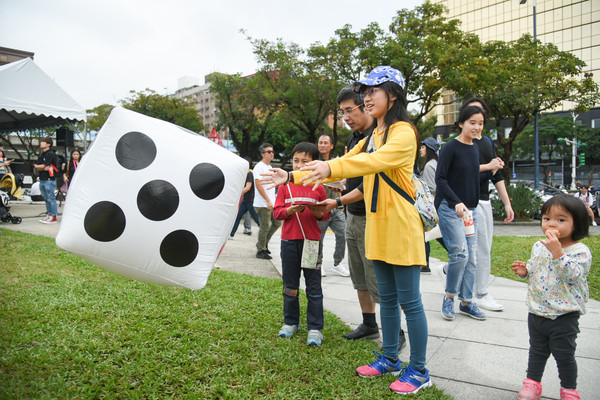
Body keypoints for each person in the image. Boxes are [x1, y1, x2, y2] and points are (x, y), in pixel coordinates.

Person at [262, 66, 431, 395]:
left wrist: (328, 167)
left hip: (402, 227)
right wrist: (291, 177)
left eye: (372, 92)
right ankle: (390, 358)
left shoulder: (403, 132)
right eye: (363, 92)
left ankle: (420, 369)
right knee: (388, 300)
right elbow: (345, 160)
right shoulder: (375, 135)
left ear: (392, 95)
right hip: (378, 227)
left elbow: (368, 164)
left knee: (409, 302)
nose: (366, 98)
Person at [511, 194, 591, 400]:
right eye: (546, 219)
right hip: (537, 311)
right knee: (537, 351)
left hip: (564, 315)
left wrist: (558, 253)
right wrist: (526, 270)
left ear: (577, 223)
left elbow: (574, 275)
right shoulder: (539, 245)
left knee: (564, 356)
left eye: (561, 219)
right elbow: (537, 267)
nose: (551, 224)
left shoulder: (580, 251)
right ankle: (532, 384)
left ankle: (569, 390)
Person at [460, 98, 515, 312]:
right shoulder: (457, 144)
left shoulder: (487, 143)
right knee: (472, 251)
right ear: (463, 120)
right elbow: (459, 173)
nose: (476, 123)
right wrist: (487, 166)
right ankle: (480, 293)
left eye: (480, 117)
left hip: (483, 201)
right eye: (472, 118)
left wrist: (507, 203)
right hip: (464, 203)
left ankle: (453, 273)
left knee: (482, 249)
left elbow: (497, 175)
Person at [273, 142, 330, 346]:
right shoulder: (285, 187)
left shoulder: (319, 187)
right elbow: (277, 212)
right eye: (296, 161)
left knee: (314, 287)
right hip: (289, 242)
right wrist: (290, 210)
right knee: (290, 285)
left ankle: (315, 328)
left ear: (314, 164)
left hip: (312, 244)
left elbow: (325, 215)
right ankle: (290, 322)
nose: (298, 166)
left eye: (304, 162)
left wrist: (315, 210)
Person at [436, 106, 487, 322]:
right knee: (460, 254)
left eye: (480, 123)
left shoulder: (475, 148)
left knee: (472, 259)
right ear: (461, 124)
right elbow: (440, 179)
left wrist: (472, 204)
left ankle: (466, 302)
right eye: (472, 122)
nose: (477, 127)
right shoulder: (450, 147)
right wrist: (456, 201)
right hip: (449, 209)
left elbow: (470, 177)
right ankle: (449, 297)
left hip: (469, 211)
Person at [315, 134, 349, 277]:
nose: (322, 145)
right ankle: (319, 263)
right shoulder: (313, 162)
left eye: (325, 143)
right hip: (320, 207)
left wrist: (343, 183)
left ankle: (337, 263)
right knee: (319, 237)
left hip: (336, 206)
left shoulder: (337, 162)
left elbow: (345, 178)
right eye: (320, 142)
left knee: (343, 234)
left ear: (331, 146)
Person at [419, 137, 447, 274]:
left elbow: (432, 187)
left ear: (429, 149)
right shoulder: (436, 163)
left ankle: (425, 265)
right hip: (437, 204)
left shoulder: (429, 165)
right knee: (431, 234)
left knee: (430, 233)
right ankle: (424, 265)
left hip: (432, 204)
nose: (420, 150)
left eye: (423, 147)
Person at [253, 143, 282, 260]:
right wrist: (268, 201)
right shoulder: (259, 167)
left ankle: (263, 244)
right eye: (268, 152)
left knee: (277, 223)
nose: (271, 153)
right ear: (262, 154)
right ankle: (260, 251)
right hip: (263, 203)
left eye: (272, 151)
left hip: (271, 202)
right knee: (264, 226)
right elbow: (258, 185)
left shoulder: (270, 167)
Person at [230, 157, 260, 238]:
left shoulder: (249, 173)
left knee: (256, 218)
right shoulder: (246, 173)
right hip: (246, 200)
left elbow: (248, 187)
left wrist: (239, 193)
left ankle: (264, 233)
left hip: (250, 200)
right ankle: (231, 234)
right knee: (237, 217)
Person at [33, 137, 59, 224]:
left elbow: (43, 166)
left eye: (43, 142)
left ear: (48, 144)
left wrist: (40, 167)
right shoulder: (41, 154)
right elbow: (40, 166)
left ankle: (53, 216)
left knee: (51, 197)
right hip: (42, 178)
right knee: (46, 198)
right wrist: (40, 167)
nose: (41, 143)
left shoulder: (51, 154)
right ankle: (49, 214)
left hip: (49, 179)